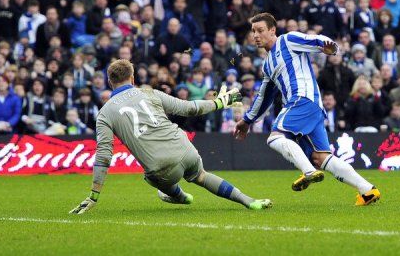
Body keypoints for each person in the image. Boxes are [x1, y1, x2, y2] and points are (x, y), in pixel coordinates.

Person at [69, 59, 272, 215]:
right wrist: (220, 102)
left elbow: (104, 155)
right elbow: (189, 108)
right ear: (132, 79)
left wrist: (94, 196)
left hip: (161, 168)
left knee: (150, 178)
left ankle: (180, 196)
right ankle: (249, 201)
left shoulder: (105, 113)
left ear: (110, 82)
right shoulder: (149, 93)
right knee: (201, 176)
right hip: (185, 148)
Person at [234, 13, 380, 206]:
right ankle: (368, 190)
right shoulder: (268, 64)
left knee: (275, 137)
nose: (256, 35)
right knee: (321, 157)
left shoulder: (287, 40)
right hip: (312, 107)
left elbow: (314, 40)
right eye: (253, 31)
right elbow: (264, 97)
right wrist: (247, 120)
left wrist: (330, 47)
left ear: (272, 30)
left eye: (260, 30)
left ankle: (308, 172)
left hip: (301, 99)